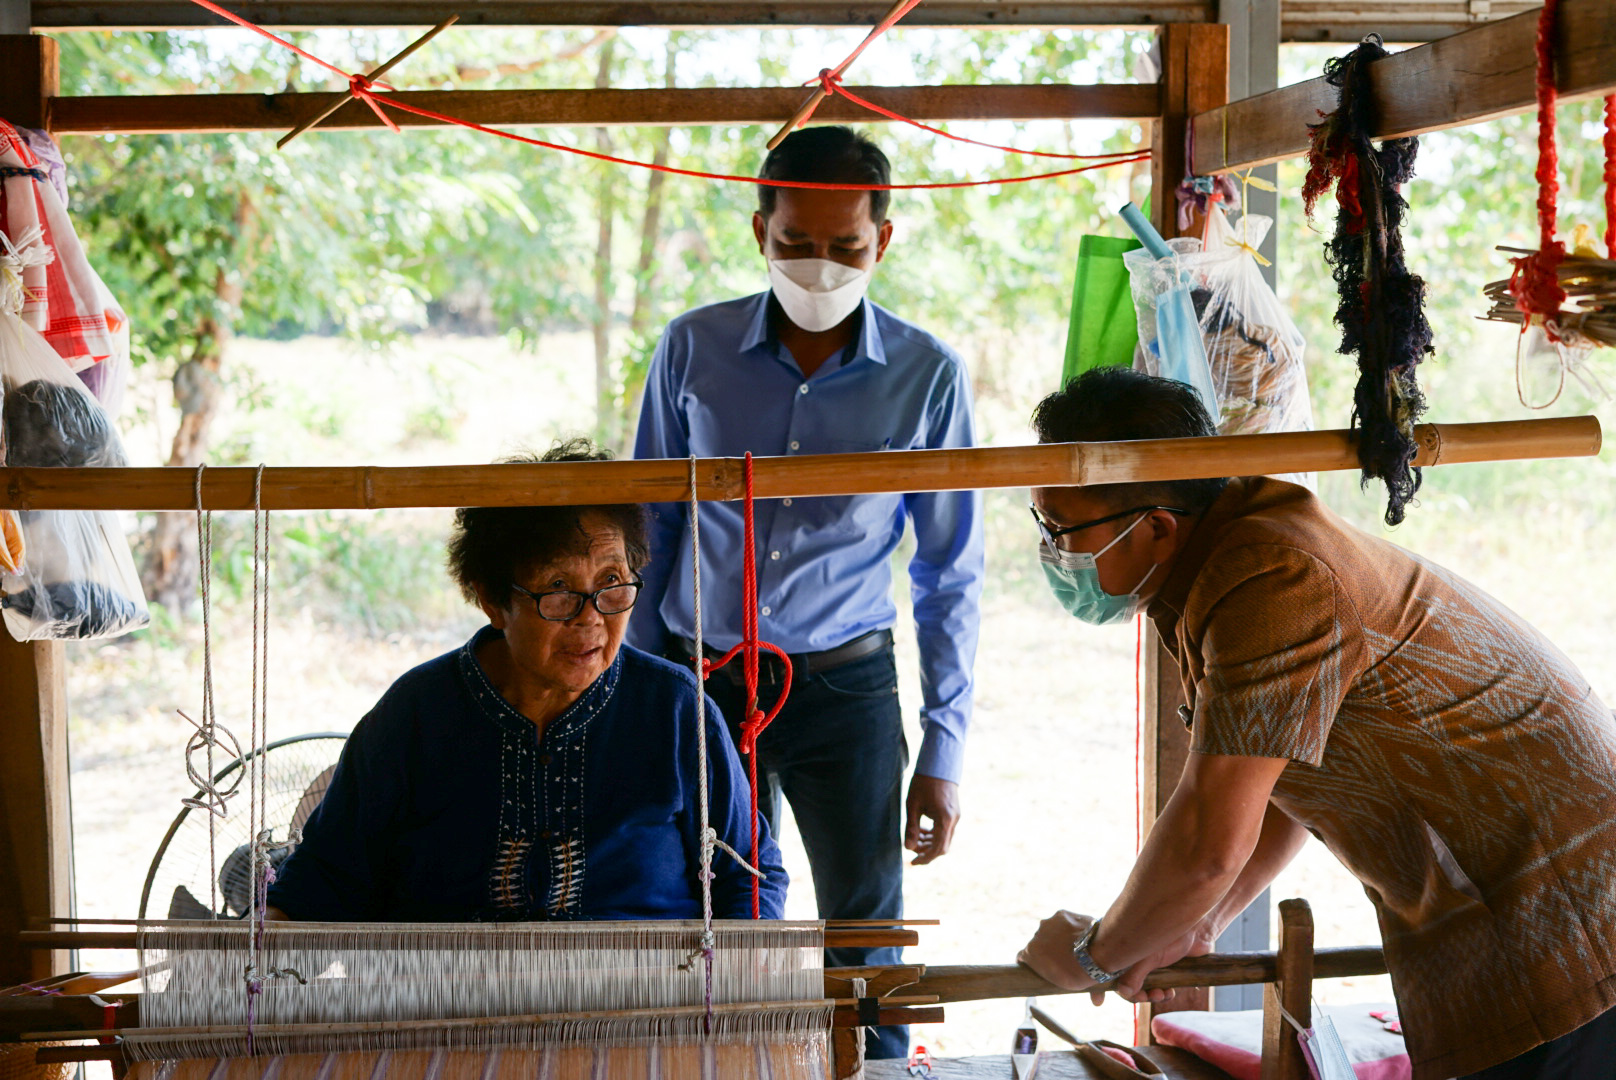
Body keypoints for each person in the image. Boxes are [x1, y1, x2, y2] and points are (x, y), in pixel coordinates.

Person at [1016, 368, 1616, 1080]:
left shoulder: (1269, 577)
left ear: (1155, 528)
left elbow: (1209, 841)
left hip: (1565, 917)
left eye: (1061, 532)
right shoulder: (1231, 560)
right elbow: (1291, 773)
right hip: (1529, 910)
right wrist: (1197, 921)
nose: (1055, 555)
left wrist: (1093, 956)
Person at [629, 126, 983, 1058]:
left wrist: (943, 746)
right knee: (707, 915)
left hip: (845, 688)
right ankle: (728, 1068)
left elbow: (949, 573)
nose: (818, 268)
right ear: (759, 232)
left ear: (883, 242)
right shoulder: (692, 350)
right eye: (795, 245)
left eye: (844, 248)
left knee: (864, 929)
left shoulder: (926, 376)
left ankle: (880, 1071)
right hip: (698, 681)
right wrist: (631, 687)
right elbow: (649, 527)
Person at [268, 439, 785, 922]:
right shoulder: (417, 715)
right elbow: (324, 878)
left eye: (611, 583)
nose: (591, 619)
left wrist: (728, 1000)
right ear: (493, 600)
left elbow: (750, 878)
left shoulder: (674, 710)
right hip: (452, 1010)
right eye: (557, 589)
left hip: (642, 1009)